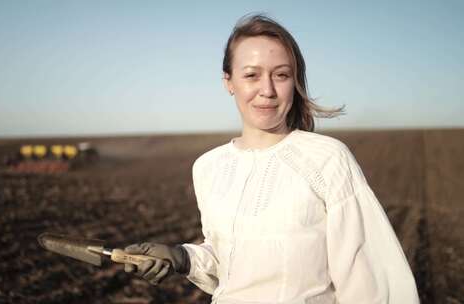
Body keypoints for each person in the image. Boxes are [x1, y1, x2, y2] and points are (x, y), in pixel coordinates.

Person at [123, 14, 420, 304]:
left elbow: (370, 281)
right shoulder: (208, 167)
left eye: (281, 75)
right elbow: (229, 264)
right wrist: (182, 257)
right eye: (251, 75)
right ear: (229, 82)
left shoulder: (327, 159)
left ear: (295, 81)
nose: (267, 90)